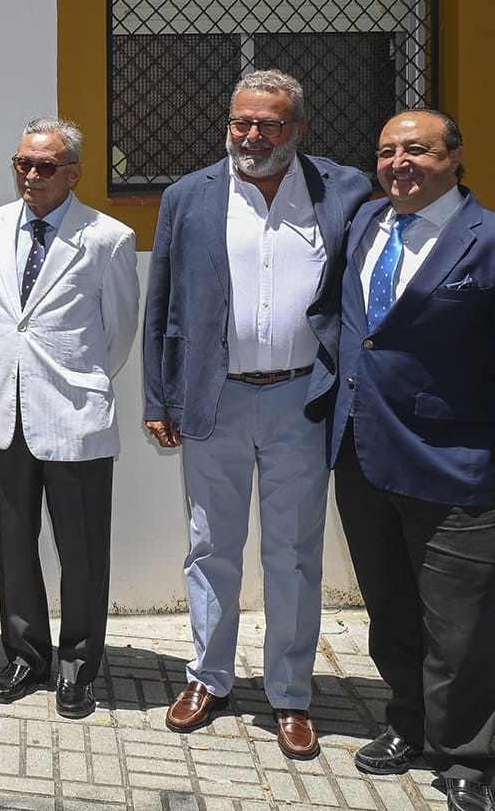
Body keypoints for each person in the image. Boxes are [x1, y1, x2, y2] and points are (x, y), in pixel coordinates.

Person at [143, 68, 372, 758]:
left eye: (269, 123)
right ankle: (207, 678)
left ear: (299, 127)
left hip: (302, 399)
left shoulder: (345, 190)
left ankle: (291, 694)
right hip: (216, 397)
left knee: (294, 553)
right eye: (242, 121)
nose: (251, 135)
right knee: (212, 545)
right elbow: (163, 302)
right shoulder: (190, 195)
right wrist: (160, 396)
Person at [329, 109, 495, 811]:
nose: (398, 163)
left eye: (416, 149)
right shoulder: (365, 224)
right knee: (390, 610)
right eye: (386, 150)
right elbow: (352, 324)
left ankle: (467, 759)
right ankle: (408, 723)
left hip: (455, 463)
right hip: (361, 453)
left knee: (460, 625)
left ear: (455, 156)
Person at [0, 116, 139, 718]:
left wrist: (78, 382)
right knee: (15, 545)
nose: (32, 175)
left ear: (74, 172)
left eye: (46, 166)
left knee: (83, 552)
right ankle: (25, 655)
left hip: (74, 415)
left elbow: (118, 335)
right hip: (6, 415)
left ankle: (77, 665)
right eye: (23, 163)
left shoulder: (108, 237)